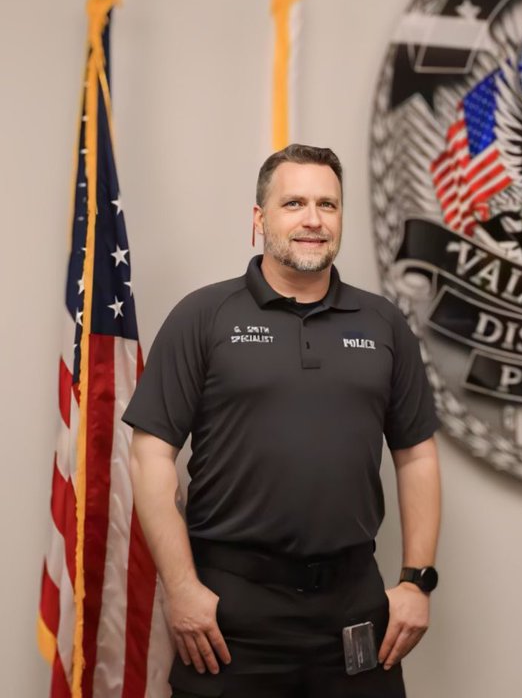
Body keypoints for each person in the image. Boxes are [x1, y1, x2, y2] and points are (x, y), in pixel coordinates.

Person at [127, 144, 441, 698]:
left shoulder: (384, 324)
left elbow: (416, 454)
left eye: (328, 204)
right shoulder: (204, 317)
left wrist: (417, 581)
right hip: (229, 610)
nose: (313, 219)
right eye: (293, 202)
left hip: (353, 604)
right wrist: (181, 588)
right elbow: (151, 455)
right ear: (259, 219)